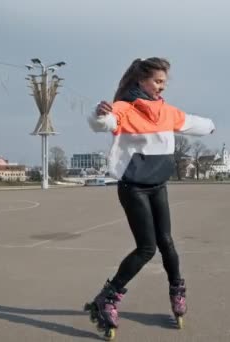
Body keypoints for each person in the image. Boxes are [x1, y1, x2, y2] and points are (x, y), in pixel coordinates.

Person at [84, 57, 215, 339]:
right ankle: (108, 296)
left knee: (166, 241)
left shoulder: (165, 111)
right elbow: (102, 122)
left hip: (158, 185)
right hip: (133, 187)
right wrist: (98, 114)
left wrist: (211, 126)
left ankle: (177, 291)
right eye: (157, 81)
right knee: (146, 248)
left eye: (164, 83)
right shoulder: (123, 108)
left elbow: (191, 122)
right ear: (141, 80)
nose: (161, 87)